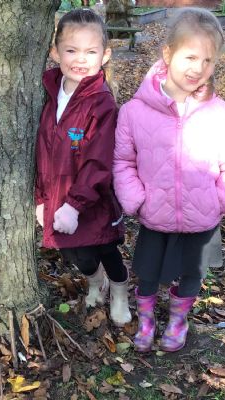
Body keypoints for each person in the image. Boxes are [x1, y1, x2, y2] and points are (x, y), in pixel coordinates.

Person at [113, 7, 225, 353]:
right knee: (148, 272)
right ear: (168, 54)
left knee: (193, 272)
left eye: (208, 60)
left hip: (202, 215)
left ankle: (178, 320)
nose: (198, 68)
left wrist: (223, 199)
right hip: (155, 214)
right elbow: (123, 160)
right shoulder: (134, 111)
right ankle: (146, 319)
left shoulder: (218, 112)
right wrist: (136, 199)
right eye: (190, 57)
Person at [35, 8, 132, 327]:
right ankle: (95, 282)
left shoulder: (101, 102)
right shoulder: (50, 91)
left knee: (104, 248)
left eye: (90, 52)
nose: (80, 59)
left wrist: (75, 204)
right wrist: (41, 198)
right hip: (57, 196)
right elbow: (42, 150)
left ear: (105, 55)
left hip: (92, 199)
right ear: (55, 52)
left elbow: (98, 160)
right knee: (77, 255)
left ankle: (119, 290)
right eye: (71, 50)